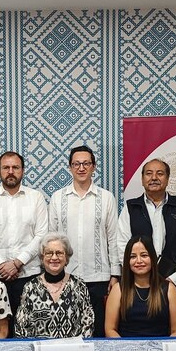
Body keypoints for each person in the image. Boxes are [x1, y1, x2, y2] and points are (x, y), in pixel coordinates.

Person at [48, 145, 119, 338]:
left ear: (94, 167)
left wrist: (115, 274)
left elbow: (113, 237)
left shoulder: (106, 198)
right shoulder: (57, 198)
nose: (81, 168)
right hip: (65, 277)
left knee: (97, 332)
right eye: (76, 164)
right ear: (70, 167)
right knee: (66, 331)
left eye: (86, 163)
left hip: (99, 277)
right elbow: (51, 239)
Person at [0, 151, 48, 332]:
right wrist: (1, 264)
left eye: (15, 167)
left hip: (28, 276)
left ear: (22, 170)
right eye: (6, 167)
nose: (10, 171)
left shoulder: (36, 197)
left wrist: (17, 262)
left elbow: (41, 235)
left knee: (27, 329)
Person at [117, 158, 176, 291]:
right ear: (143, 179)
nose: (154, 177)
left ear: (167, 179)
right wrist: (139, 277)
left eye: (160, 173)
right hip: (139, 283)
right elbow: (122, 246)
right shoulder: (131, 207)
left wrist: (175, 279)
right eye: (149, 173)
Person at [14, 233, 94, 338]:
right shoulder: (30, 287)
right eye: (49, 253)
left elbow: (88, 323)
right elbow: (21, 328)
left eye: (59, 253)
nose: (54, 257)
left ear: (67, 258)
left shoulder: (79, 285)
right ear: (42, 258)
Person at [105, 236, 176, 337]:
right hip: (126, 350)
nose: (139, 261)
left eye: (144, 255)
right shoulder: (118, 290)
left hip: (160, 350)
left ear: (152, 258)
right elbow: (110, 330)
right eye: (133, 257)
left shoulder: (169, 289)